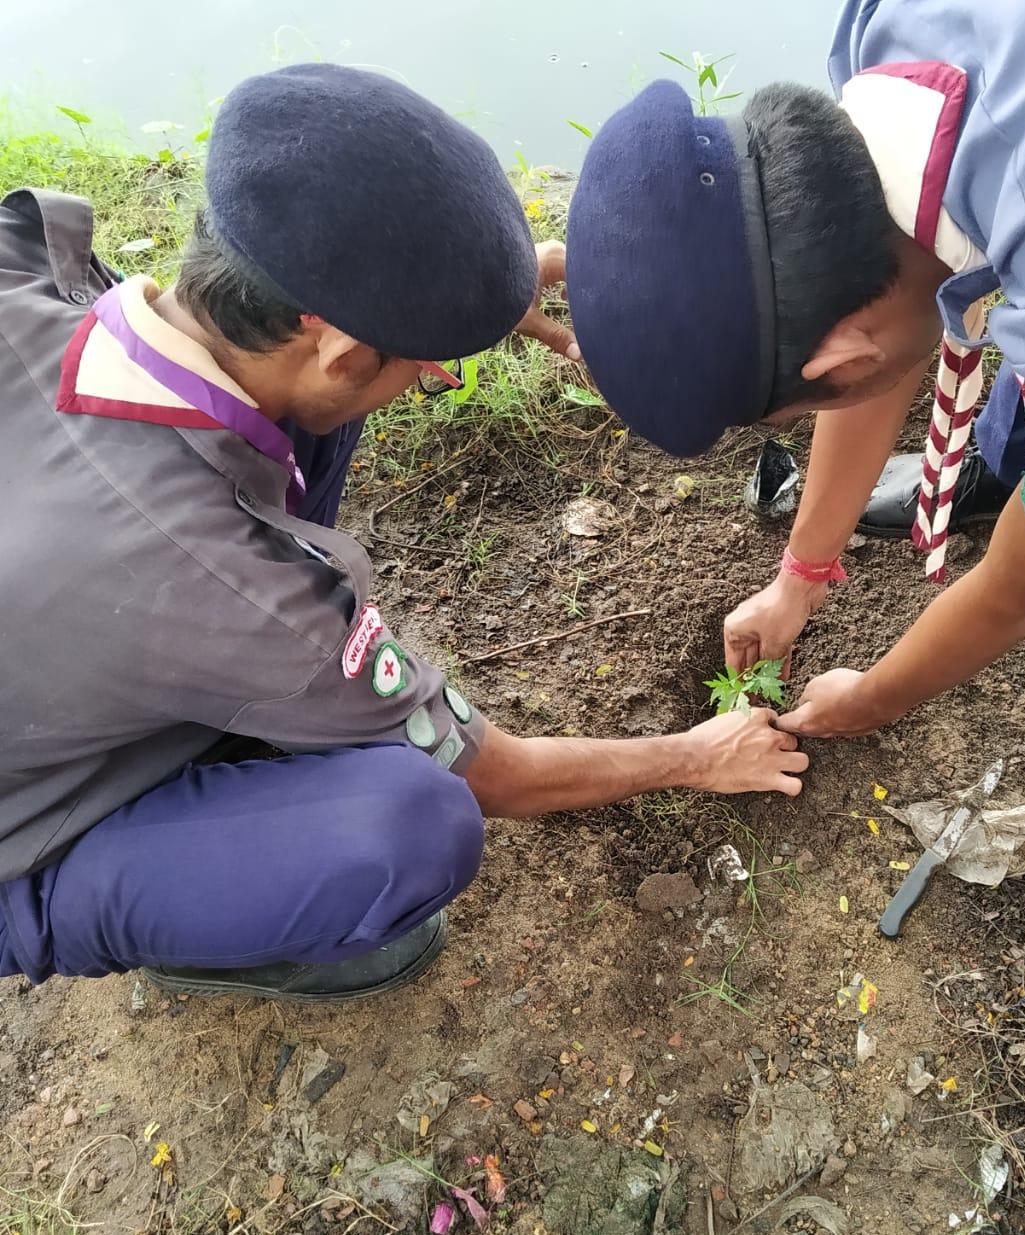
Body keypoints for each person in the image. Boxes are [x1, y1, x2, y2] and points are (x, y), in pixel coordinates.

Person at [0, 64, 808, 1003]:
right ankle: (178, 926)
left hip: (57, 631)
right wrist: (697, 755)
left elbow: (328, 353)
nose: (432, 377)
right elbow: (494, 773)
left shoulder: (34, 272)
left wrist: (507, 279)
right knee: (413, 823)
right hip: (19, 834)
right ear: (341, 347)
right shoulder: (234, 583)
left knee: (312, 418)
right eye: (428, 364)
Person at [563, 0, 1025, 1008]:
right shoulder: (881, 36)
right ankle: (1002, 452)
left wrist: (875, 696)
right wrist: (797, 577)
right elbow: (887, 307)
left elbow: (1024, 591)